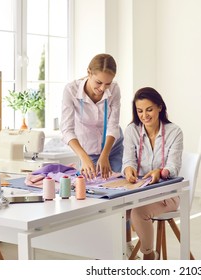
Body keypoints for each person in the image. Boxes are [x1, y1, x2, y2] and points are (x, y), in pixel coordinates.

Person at [122, 87, 184, 260]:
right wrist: (129, 170)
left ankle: (149, 256)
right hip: (138, 192)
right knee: (113, 212)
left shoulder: (174, 132)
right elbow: (128, 161)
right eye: (140, 111)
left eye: (149, 109)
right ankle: (121, 253)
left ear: (160, 107)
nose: (144, 115)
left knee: (138, 213)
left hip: (167, 194)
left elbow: (173, 166)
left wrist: (161, 172)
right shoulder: (131, 130)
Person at [60, 53, 123, 180]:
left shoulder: (114, 89)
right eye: (99, 82)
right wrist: (84, 158)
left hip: (113, 147)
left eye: (107, 83)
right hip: (88, 151)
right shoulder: (71, 90)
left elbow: (113, 126)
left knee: (117, 185)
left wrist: (105, 154)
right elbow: (67, 130)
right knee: (91, 188)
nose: (102, 88)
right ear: (89, 72)